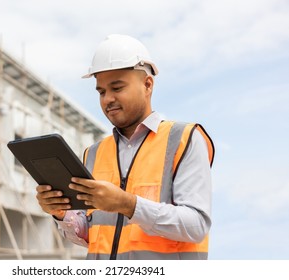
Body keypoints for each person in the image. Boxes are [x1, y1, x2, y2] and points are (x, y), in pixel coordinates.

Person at [36, 34, 215, 260]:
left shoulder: (184, 139)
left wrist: (127, 204)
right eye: (101, 92)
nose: (107, 99)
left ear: (147, 84)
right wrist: (61, 214)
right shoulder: (94, 153)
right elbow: (90, 235)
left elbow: (196, 226)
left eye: (117, 88)